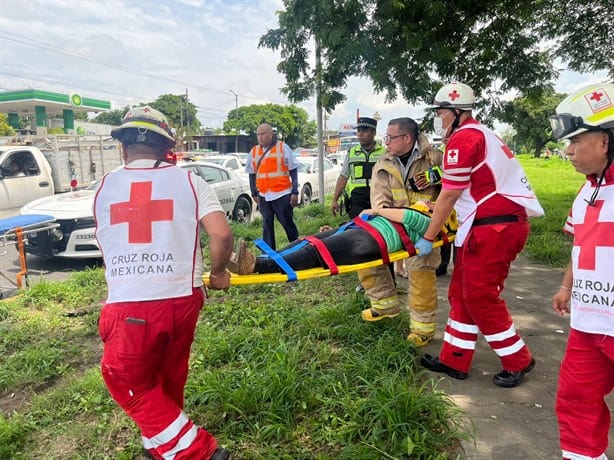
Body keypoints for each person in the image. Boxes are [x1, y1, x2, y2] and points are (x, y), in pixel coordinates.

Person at [94, 106, 233, 460]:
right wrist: (218, 274)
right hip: (183, 299)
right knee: (168, 376)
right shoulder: (191, 181)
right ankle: (158, 448)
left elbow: (106, 243)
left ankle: (199, 453)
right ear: (165, 147)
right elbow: (221, 234)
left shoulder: (106, 186)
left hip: (130, 302)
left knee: (123, 377)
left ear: (123, 148)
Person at [416, 82, 544, 387]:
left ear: (457, 112)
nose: (438, 118)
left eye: (441, 112)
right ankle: (454, 359)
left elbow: (449, 195)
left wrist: (429, 236)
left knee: (479, 296)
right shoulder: (481, 134)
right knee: (461, 293)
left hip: (493, 228)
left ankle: (518, 359)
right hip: (486, 225)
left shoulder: (463, 140)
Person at [550, 82, 614, 460]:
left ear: (605, 140)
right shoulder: (587, 190)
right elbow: (582, 245)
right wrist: (566, 286)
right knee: (575, 402)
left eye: (576, 141)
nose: (568, 151)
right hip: (590, 322)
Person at [359, 117, 445, 348]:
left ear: (407, 138)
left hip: (426, 229)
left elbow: (451, 192)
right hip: (394, 226)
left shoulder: (435, 159)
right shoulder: (383, 165)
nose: (385, 142)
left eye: (390, 137)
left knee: (421, 274)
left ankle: (422, 328)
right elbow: (379, 202)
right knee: (366, 256)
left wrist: (436, 212)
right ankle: (385, 306)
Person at [227, 202, 455, 275]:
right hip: (363, 234)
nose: (432, 202)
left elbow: (406, 216)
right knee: (308, 241)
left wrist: (378, 210)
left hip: (370, 242)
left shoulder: (428, 224)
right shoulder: (423, 218)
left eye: (436, 204)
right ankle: (256, 259)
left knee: (315, 251)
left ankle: (258, 265)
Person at [246, 123, 300, 250]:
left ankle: (297, 249)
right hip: (264, 195)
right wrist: (254, 193)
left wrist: (295, 192)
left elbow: (293, 169)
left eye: (263, 134)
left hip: (282, 193)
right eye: (258, 134)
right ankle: (270, 255)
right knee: (266, 225)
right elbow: (251, 173)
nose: (260, 137)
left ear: (271, 135)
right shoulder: (254, 152)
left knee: (287, 223)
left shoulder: (282, 148)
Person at [331, 117, 386, 219]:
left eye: (364, 131)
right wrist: (335, 199)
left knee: (378, 231)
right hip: (357, 201)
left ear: (374, 132)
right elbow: (343, 177)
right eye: (358, 131)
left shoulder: (385, 153)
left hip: (379, 199)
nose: (360, 134)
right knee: (358, 231)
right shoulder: (351, 153)